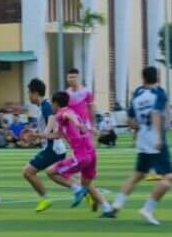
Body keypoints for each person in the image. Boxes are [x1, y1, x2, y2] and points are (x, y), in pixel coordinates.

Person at [107, 66, 172, 225]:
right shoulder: (159, 93)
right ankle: (147, 209)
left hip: (142, 140)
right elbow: (157, 113)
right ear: (157, 78)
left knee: (138, 174)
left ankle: (116, 205)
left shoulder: (137, 94)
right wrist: (158, 137)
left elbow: (129, 120)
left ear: (143, 79)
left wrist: (140, 128)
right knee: (168, 177)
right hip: (156, 139)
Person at [45, 91, 114, 215]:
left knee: (51, 172)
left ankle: (76, 189)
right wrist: (38, 135)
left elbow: (68, 115)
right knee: (86, 184)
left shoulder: (62, 113)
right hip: (91, 153)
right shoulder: (69, 113)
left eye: (51, 103)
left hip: (81, 155)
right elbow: (58, 135)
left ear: (56, 104)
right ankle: (107, 208)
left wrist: (77, 124)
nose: (51, 106)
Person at [22, 78, 68, 213]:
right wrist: (34, 133)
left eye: (29, 93)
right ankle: (84, 190)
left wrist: (39, 134)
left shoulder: (46, 106)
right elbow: (48, 127)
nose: (28, 96)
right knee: (57, 176)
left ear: (35, 93)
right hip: (54, 148)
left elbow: (52, 123)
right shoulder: (43, 106)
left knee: (28, 172)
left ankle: (45, 198)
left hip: (52, 148)